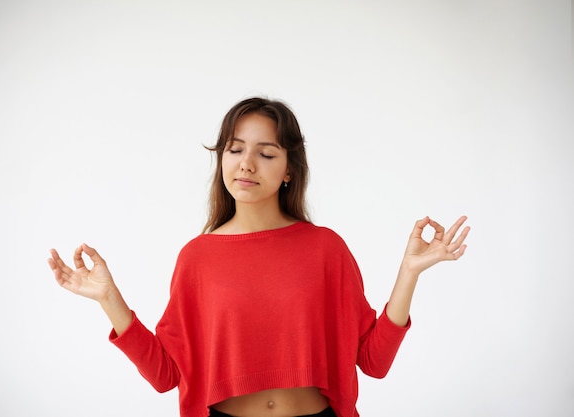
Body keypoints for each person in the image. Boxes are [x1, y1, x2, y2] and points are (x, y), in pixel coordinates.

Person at [48, 97, 470, 417]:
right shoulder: (197, 258)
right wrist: (108, 298)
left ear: (288, 168)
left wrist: (409, 271)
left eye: (266, 154)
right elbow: (165, 375)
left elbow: (373, 363)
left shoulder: (325, 248)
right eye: (235, 150)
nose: (247, 164)